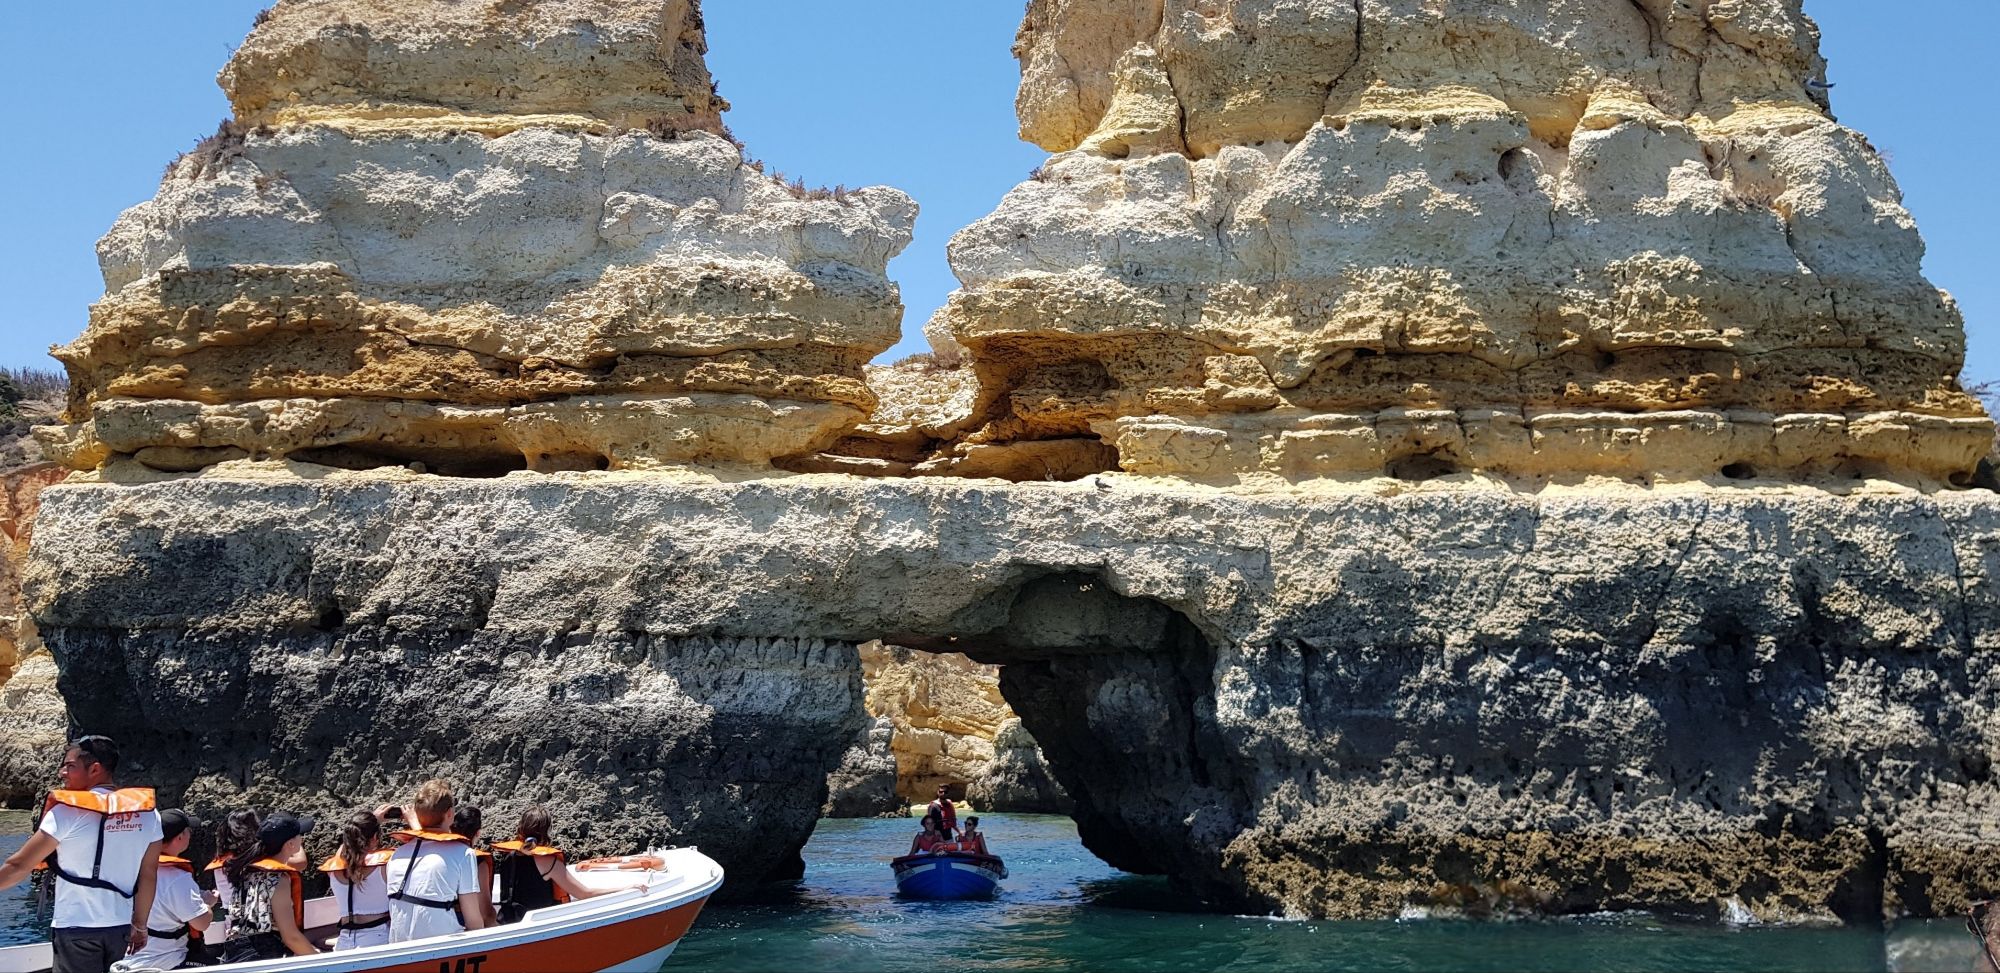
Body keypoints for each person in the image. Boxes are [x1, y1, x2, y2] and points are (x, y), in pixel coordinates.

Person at [0, 736, 162, 973]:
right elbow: (148, 874)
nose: (62, 773)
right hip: (120, 929)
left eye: (70, 766)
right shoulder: (149, 815)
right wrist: (140, 924)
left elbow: (19, 866)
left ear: (94, 769)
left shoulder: (66, 812)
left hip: (76, 928)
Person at [385, 780, 487, 943]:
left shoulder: (396, 855)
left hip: (399, 948)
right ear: (450, 814)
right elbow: (473, 921)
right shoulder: (463, 853)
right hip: (442, 947)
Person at [216, 811, 318, 962]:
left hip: (236, 955)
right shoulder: (277, 879)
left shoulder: (246, 873)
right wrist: (322, 960)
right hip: (262, 957)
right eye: (299, 835)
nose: (301, 838)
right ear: (290, 844)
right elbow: (291, 937)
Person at [123, 809, 213, 972]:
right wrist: (207, 904)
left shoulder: (129, 870)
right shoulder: (177, 877)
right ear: (180, 837)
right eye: (189, 831)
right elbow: (201, 923)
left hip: (126, 962)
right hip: (165, 963)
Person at [491, 806, 609, 924]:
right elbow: (584, 894)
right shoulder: (548, 862)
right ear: (547, 832)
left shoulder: (508, 857)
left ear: (521, 829)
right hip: (538, 926)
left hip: (508, 923)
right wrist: (620, 891)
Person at [320, 810, 393, 952]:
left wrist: (369, 822)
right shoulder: (383, 868)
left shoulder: (334, 871)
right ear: (375, 837)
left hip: (344, 943)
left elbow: (342, 854)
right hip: (377, 940)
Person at [450, 805, 499, 928]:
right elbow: (486, 914)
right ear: (478, 833)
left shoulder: (441, 854)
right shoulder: (478, 863)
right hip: (464, 926)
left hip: (441, 920)